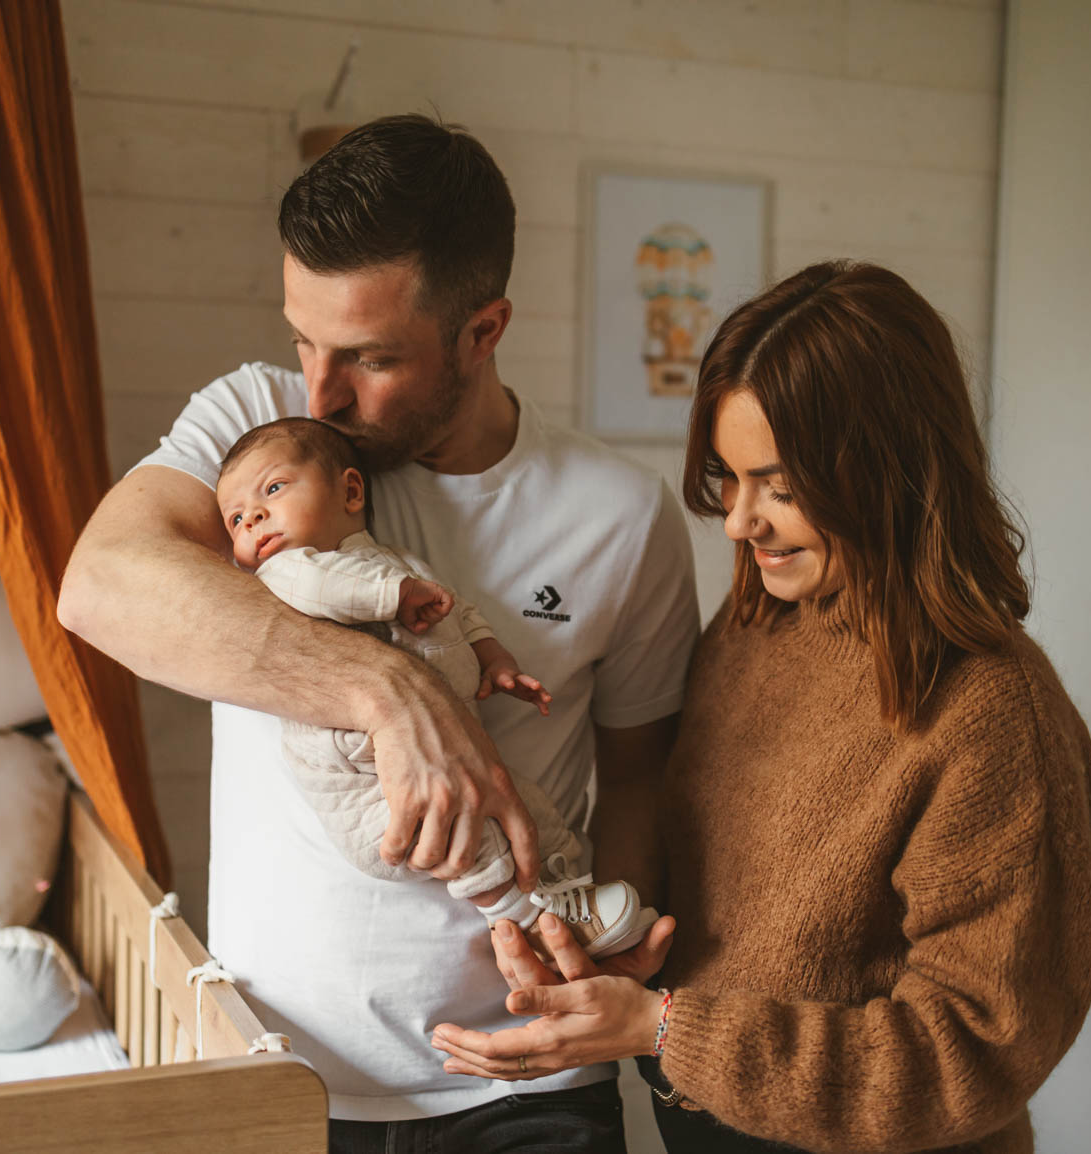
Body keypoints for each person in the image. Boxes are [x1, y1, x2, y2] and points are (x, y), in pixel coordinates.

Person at [57, 114, 697, 1150]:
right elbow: (99, 586)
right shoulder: (258, 432)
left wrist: (596, 958)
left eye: (367, 356)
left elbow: (639, 774)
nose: (320, 389)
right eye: (304, 337)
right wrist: (384, 689)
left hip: (527, 1087)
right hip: (280, 1079)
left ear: (481, 331)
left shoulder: (620, 515)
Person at [430, 261, 1091, 1154]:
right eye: (728, 477)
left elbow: (972, 1052)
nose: (738, 523)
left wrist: (663, 1029)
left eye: (780, 488)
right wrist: (625, 945)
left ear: (888, 473)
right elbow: (729, 908)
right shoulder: (756, 627)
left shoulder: (994, 712)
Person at [216, 416, 659, 957]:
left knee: (527, 805)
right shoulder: (288, 573)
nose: (253, 517)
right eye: (236, 518)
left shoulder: (395, 563)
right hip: (364, 787)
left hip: (443, 762)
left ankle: (569, 887)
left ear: (350, 490)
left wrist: (493, 661)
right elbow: (329, 588)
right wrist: (395, 597)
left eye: (273, 489)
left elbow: (457, 610)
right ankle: (528, 922)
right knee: (471, 834)